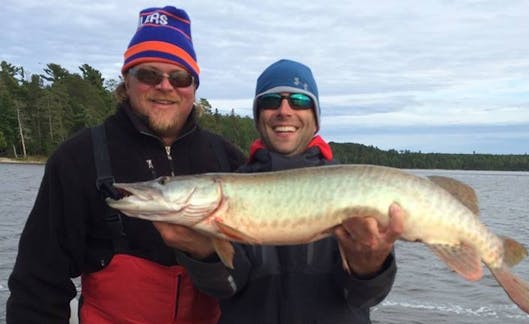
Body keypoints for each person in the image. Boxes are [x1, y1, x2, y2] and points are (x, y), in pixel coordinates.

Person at [6, 6, 245, 323]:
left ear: (193, 88)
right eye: (148, 74)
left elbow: (253, 279)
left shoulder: (229, 159)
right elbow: (37, 285)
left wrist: (205, 252)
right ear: (126, 81)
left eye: (180, 77)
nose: (165, 86)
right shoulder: (78, 158)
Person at [155, 59, 404, 323]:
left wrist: (369, 268)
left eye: (299, 100)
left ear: (315, 117)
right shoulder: (232, 192)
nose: (284, 110)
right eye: (271, 101)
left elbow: (365, 298)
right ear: (259, 114)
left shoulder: (351, 188)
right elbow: (226, 287)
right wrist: (203, 253)